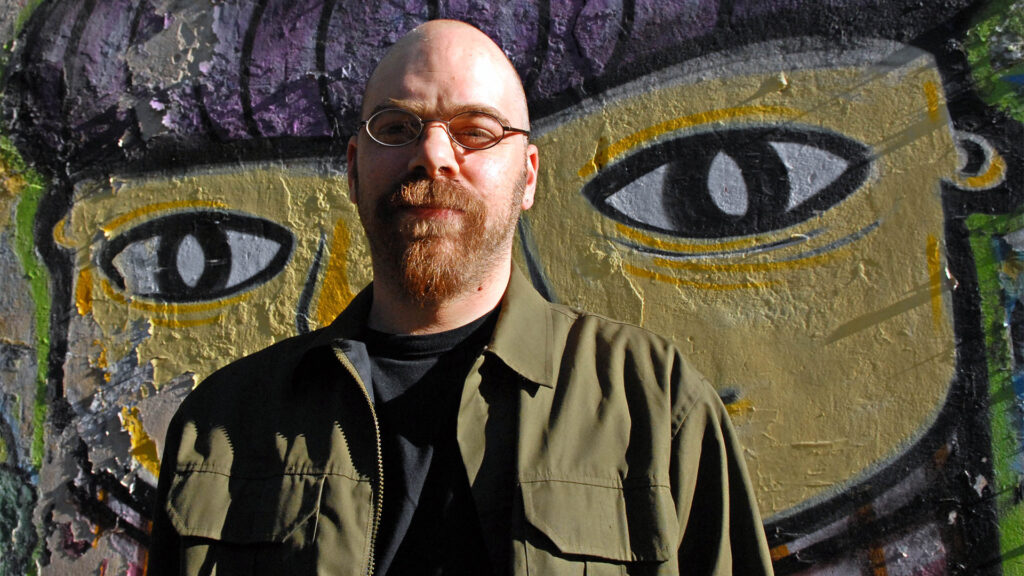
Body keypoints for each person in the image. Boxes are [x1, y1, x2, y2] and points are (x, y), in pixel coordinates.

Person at [148, 19, 774, 576]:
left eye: (476, 131)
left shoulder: (656, 406)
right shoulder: (225, 427)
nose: (432, 154)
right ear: (354, 168)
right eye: (397, 128)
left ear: (528, 176)